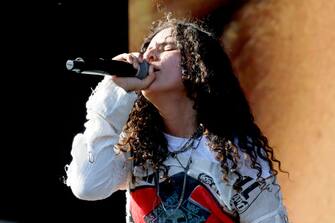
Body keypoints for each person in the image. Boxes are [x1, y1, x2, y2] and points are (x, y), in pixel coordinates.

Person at [64, 16, 289, 223]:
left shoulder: (236, 158)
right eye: (147, 51)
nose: (149, 56)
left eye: (167, 48)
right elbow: (87, 185)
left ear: (197, 65)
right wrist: (113, 91)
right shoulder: (136, 149)